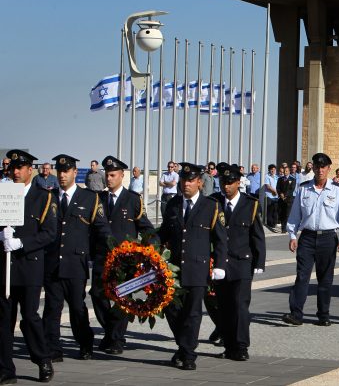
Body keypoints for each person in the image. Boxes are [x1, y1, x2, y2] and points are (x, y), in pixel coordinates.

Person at [158, 162, 228, 370]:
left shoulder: (211, 206)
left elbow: (221, 239)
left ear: (199, 182)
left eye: (190, 180)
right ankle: (184, 345)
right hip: (174, 269)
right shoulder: (172, 204)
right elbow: (165, 232)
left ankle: (188, 355)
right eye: (183, 180)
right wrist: (147, 246)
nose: (186, 184)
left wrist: (220, 265)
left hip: (198, 268)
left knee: (192, 312)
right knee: (171, 309)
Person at [44, 154, 112, 362]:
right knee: (52, 308)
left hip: (76, 262)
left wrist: (115, 251)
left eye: (66, 171)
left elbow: (102, 228)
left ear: (75, 172)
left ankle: (85, 343)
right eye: (59, 171)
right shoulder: (48, 196)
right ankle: (52, 348)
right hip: (53, 262)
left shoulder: (90, 198)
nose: (62, 175)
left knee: (76, 307)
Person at [92, 156, 158, 355]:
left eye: (113, 175)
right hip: (102, 256)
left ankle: (117, 340)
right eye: (106, 175)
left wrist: (150, 250)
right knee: (96, 295)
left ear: (122, 175)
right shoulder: (99, 199)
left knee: (122, 298)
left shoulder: (132, 199)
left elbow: (146, 228)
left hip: (125, 260)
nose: (109, 179)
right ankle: (111, 331)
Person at [0, 150, 56, 384]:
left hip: (30, 266)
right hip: (6, 266)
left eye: (20, 167)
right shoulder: (2, 194)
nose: (15, 172)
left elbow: (50, 233)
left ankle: (43, 359)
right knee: (3, 320)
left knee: (30, 317)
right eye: (13, 167)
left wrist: (22, 242)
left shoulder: (43, 197)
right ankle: (5, 369)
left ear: (30, 170)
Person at [282, 153, 339, 327]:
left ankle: (323, 314)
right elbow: (295, 214)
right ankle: (296, 314)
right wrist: (292, 235)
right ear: (312, 168)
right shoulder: (304, 188)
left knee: (325, 278)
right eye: (317, 166)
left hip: (328, 238)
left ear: (328, 169)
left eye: (323, 167)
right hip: (307, 237)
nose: (320, 170)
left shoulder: (337, 190)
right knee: (302, 276)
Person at [211, 163, 266, 362]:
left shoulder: (250, 204)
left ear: (238, 183)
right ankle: (229, 344)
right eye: (223, 182)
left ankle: (241, 346)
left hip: (242, 262)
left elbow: (257, 235)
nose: (226, 187)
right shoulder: (214, 203)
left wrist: (260, 261)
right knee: (224, 307)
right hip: (221, 263)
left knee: (241, 305)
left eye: (230, 183)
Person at [277, 166, 296, 233]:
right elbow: (278, 188)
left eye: (286, 171)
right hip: (281, 199)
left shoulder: (293, 179)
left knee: (287, 214)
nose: (285, 172)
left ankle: (284, 228)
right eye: (284, 171)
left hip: (288, 199)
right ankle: (283, 226)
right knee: (281, 213)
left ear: (289, 171)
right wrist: (280, 194)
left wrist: (285, 195)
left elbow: (291, 189)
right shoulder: (280, 179)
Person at [264, 164, 279, 233]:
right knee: (270, 211)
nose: (273, 170)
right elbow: (268, 186)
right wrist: (275, 191)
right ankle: (270, 224)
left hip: (276, 197)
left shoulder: (277, 177)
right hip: (270, 196)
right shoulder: (267, 176)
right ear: (269, 170)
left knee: (275, 211)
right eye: (271, 169)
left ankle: (274, 223)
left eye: (274, 169)